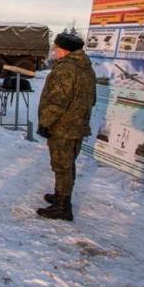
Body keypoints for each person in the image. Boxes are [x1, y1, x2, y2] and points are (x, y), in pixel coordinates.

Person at [36, 32, 96, 221]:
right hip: (77, 124)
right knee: (67, 164)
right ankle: (61, 195)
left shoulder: (67, 68)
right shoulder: (85, 66)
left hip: (63, 126)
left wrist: (46, 122)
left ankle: (63, 206)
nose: (54, 51)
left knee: (62, 165)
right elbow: (91, 98)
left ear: (64, 49)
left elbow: (57, 100)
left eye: (56, 48)